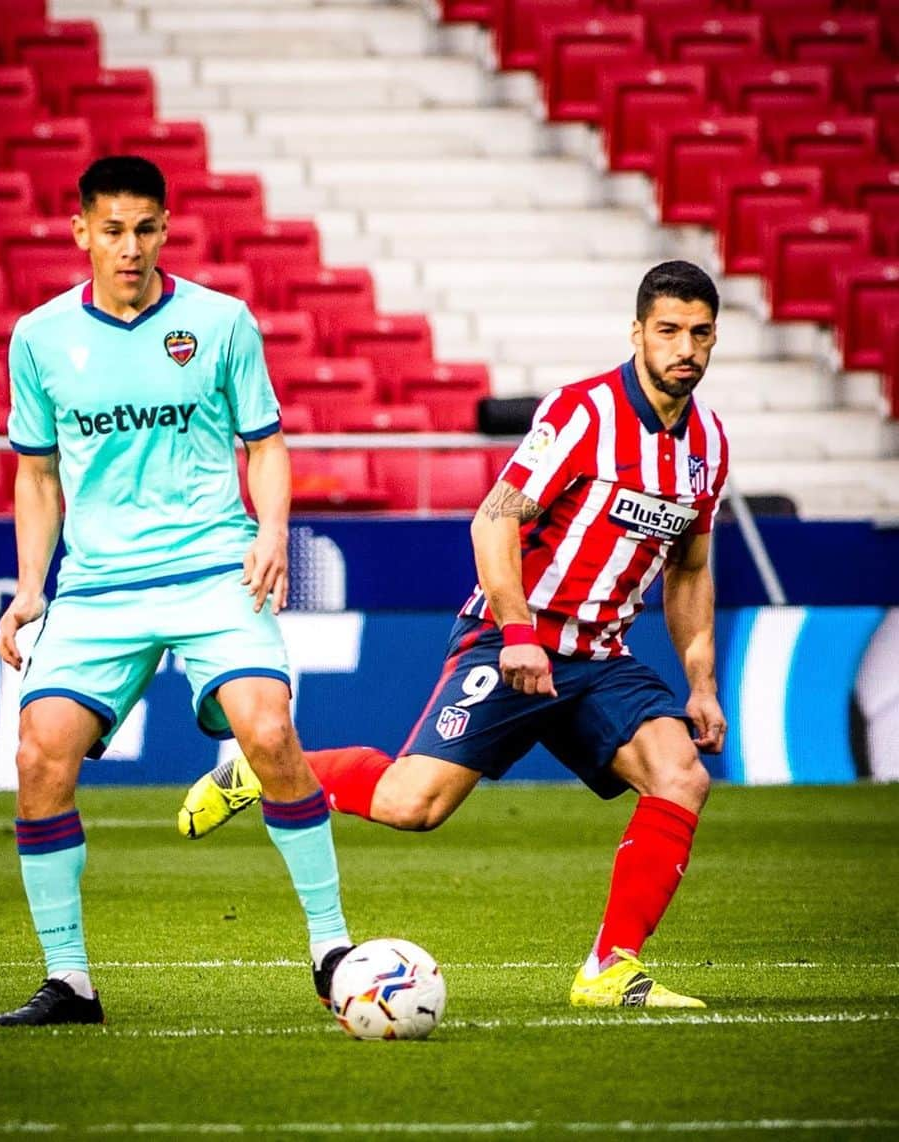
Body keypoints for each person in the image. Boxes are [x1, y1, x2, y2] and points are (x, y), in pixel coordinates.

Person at [180, 260, 730, 1009]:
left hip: (601, 658)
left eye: (700, 334)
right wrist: (516, 630)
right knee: (415, 806)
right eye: (668, 331)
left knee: (681, 776)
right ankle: (270, 768)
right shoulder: (583, 415)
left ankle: (609, 967)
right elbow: (495, 517)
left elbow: (690, 570)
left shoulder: (709, 446)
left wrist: (700, 684)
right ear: (637, 333)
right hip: (513, 644)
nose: (684, 349)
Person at [0, 155, 353, 1027]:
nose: (129, 247)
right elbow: (37, 476)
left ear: (165, 229)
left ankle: (330, 946)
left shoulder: (221, 322)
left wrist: (270, 533)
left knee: (268, 728)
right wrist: (30, 588)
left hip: (209, 567)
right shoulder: (39, 338)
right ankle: (69, 981)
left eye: (145, 228)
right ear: (81, 231)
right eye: (111, 230)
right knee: (41, 755)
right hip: (101, 585)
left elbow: (265, 444)